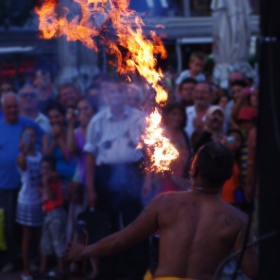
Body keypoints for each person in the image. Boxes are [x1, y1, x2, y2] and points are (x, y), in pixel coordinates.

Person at [65, 142, 258, 280]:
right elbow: (255, 271)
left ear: (195, 170)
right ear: (228, 175)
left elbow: (121, 240)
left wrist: (84, 251)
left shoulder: (166, 202)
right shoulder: (238, 220)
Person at [84, 77, 149, 279]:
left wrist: (146, 180)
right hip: (106, 176)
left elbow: (148, 151)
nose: (116, 95)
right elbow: (90, 156)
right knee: (107, 225)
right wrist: (92, 188)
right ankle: (109, 271)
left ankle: (137, 270)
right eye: (111, 92)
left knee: (135, 224)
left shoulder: (138, 117)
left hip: (133, 173)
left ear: (125, 93)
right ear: (106, 96)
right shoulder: (97, 121)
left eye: (119, 91)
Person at [0, 93, 44, 273]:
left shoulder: (29, 124)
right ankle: (12, 260)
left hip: (29, 186)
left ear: (19, 107)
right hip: (6, 184)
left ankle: (32, 259)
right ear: (3, 109)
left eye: (14, 106)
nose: (12, 110)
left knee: (30, 227)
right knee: (9, 226)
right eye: (8, 107)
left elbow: (45, 140)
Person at [16, 127, 44, 280]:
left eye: (32, 136)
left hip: (40, 201)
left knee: (40, 235)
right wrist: (24, 150)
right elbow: (23, 165)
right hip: (26, 201)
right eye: (27, 136)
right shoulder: (21, 157)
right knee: (27, 236)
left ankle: (41, 267)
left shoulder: (40, 155)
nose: (30, 139)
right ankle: (26, 270)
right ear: (22, 139)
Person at [39, 157, 67, 279]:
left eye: (47, 168)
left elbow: (52, 196)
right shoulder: (45, 180)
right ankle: (42, 271)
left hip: (56, 214)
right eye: (42, 168)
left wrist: (45, 183)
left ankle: (62, 271)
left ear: (52, 170)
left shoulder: (53, 179)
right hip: (48, 214)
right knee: (45, 243)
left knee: (57, 243)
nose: (44, 170)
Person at [43, 103, 76, 192]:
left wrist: (60, 137)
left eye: (57, 117)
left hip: (73, 180)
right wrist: (53, 136)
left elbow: (69, 157)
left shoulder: (71, 133)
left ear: (64, 117)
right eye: (51, 117)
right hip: (56, 181)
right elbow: (47, 155)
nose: (54, 120)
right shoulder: (47, 137)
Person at [160, 102, 192, 192]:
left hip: (183, 178)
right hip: (163, 179)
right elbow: (159, 162)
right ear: (167, 115)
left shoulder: (184, 134)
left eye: (180, 115)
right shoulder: (160, 134)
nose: (177, 118)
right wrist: (175, 178)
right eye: (173, 114)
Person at [221, 129, 243, 206]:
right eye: (232, 139)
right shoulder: (221, 156)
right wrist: (222, 145)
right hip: (221, 199)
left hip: (234, 200)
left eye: (238, 140)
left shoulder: (239, 161)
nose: (234, 142)